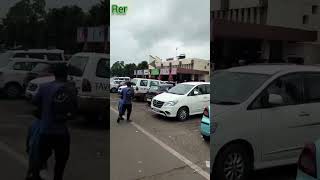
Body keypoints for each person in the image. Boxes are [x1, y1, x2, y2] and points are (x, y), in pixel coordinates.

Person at [31, 64, 77, 180]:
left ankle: (34, 176)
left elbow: (34, 101)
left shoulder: (44, 87)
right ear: (66, 75)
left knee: (40, 158)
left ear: (54, 74)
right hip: (61, 132)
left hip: (45, 130)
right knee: (61, 161)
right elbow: (74, 109)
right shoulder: (70, 89)